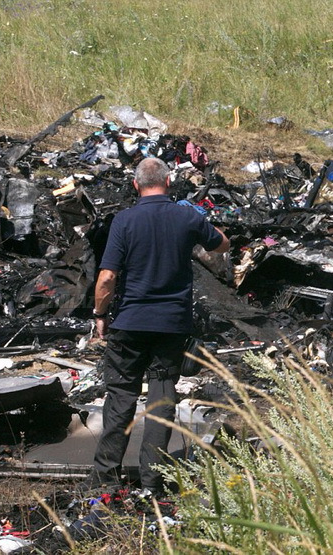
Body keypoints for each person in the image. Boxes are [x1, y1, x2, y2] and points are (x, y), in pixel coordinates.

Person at [88, 157, 229, 495]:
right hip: (171, 325)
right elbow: (221, 243)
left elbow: (107, 277)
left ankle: (106, 483)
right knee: (161, 399)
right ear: (168, 183)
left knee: (121, 398)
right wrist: (202, 227)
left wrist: (99, 315)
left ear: (136, 185)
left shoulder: (124, 220)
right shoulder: (185, 216)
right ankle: (152, 484)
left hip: (130, 324)